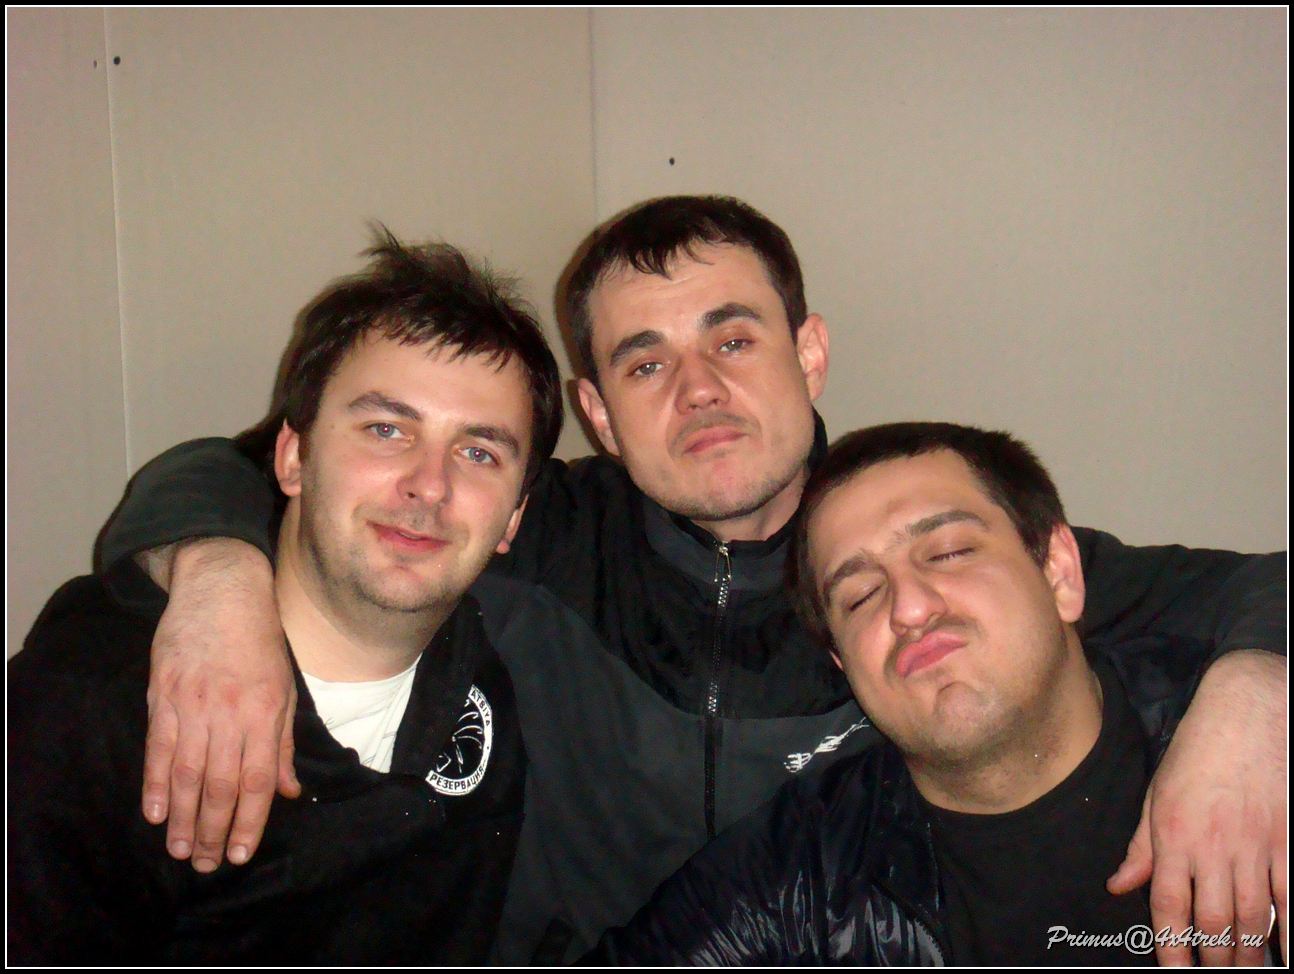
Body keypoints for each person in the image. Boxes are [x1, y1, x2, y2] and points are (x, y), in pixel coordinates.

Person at [92, 197, 1286, 964]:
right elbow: (237, 469)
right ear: (599, 412)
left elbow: (1255, 585)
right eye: (644, 360)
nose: (699, 387)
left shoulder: (912, 561)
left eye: (733, 337)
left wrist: (1253, 697)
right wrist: (216, 582)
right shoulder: (518, 521)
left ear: (809, 351)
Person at [8, 231, 564, 963]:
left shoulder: (506, 668)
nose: (429, 485)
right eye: (386, 429)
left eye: (478, 452)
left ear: (514, 517)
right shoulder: (94, 713)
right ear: (293, 457)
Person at [587, 422, 1285, 965]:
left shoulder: (1253, 744)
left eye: (948, 552)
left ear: (1060, 572)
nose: (910, 608)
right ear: (842, 662)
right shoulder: (799, 874)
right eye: (860, 595)